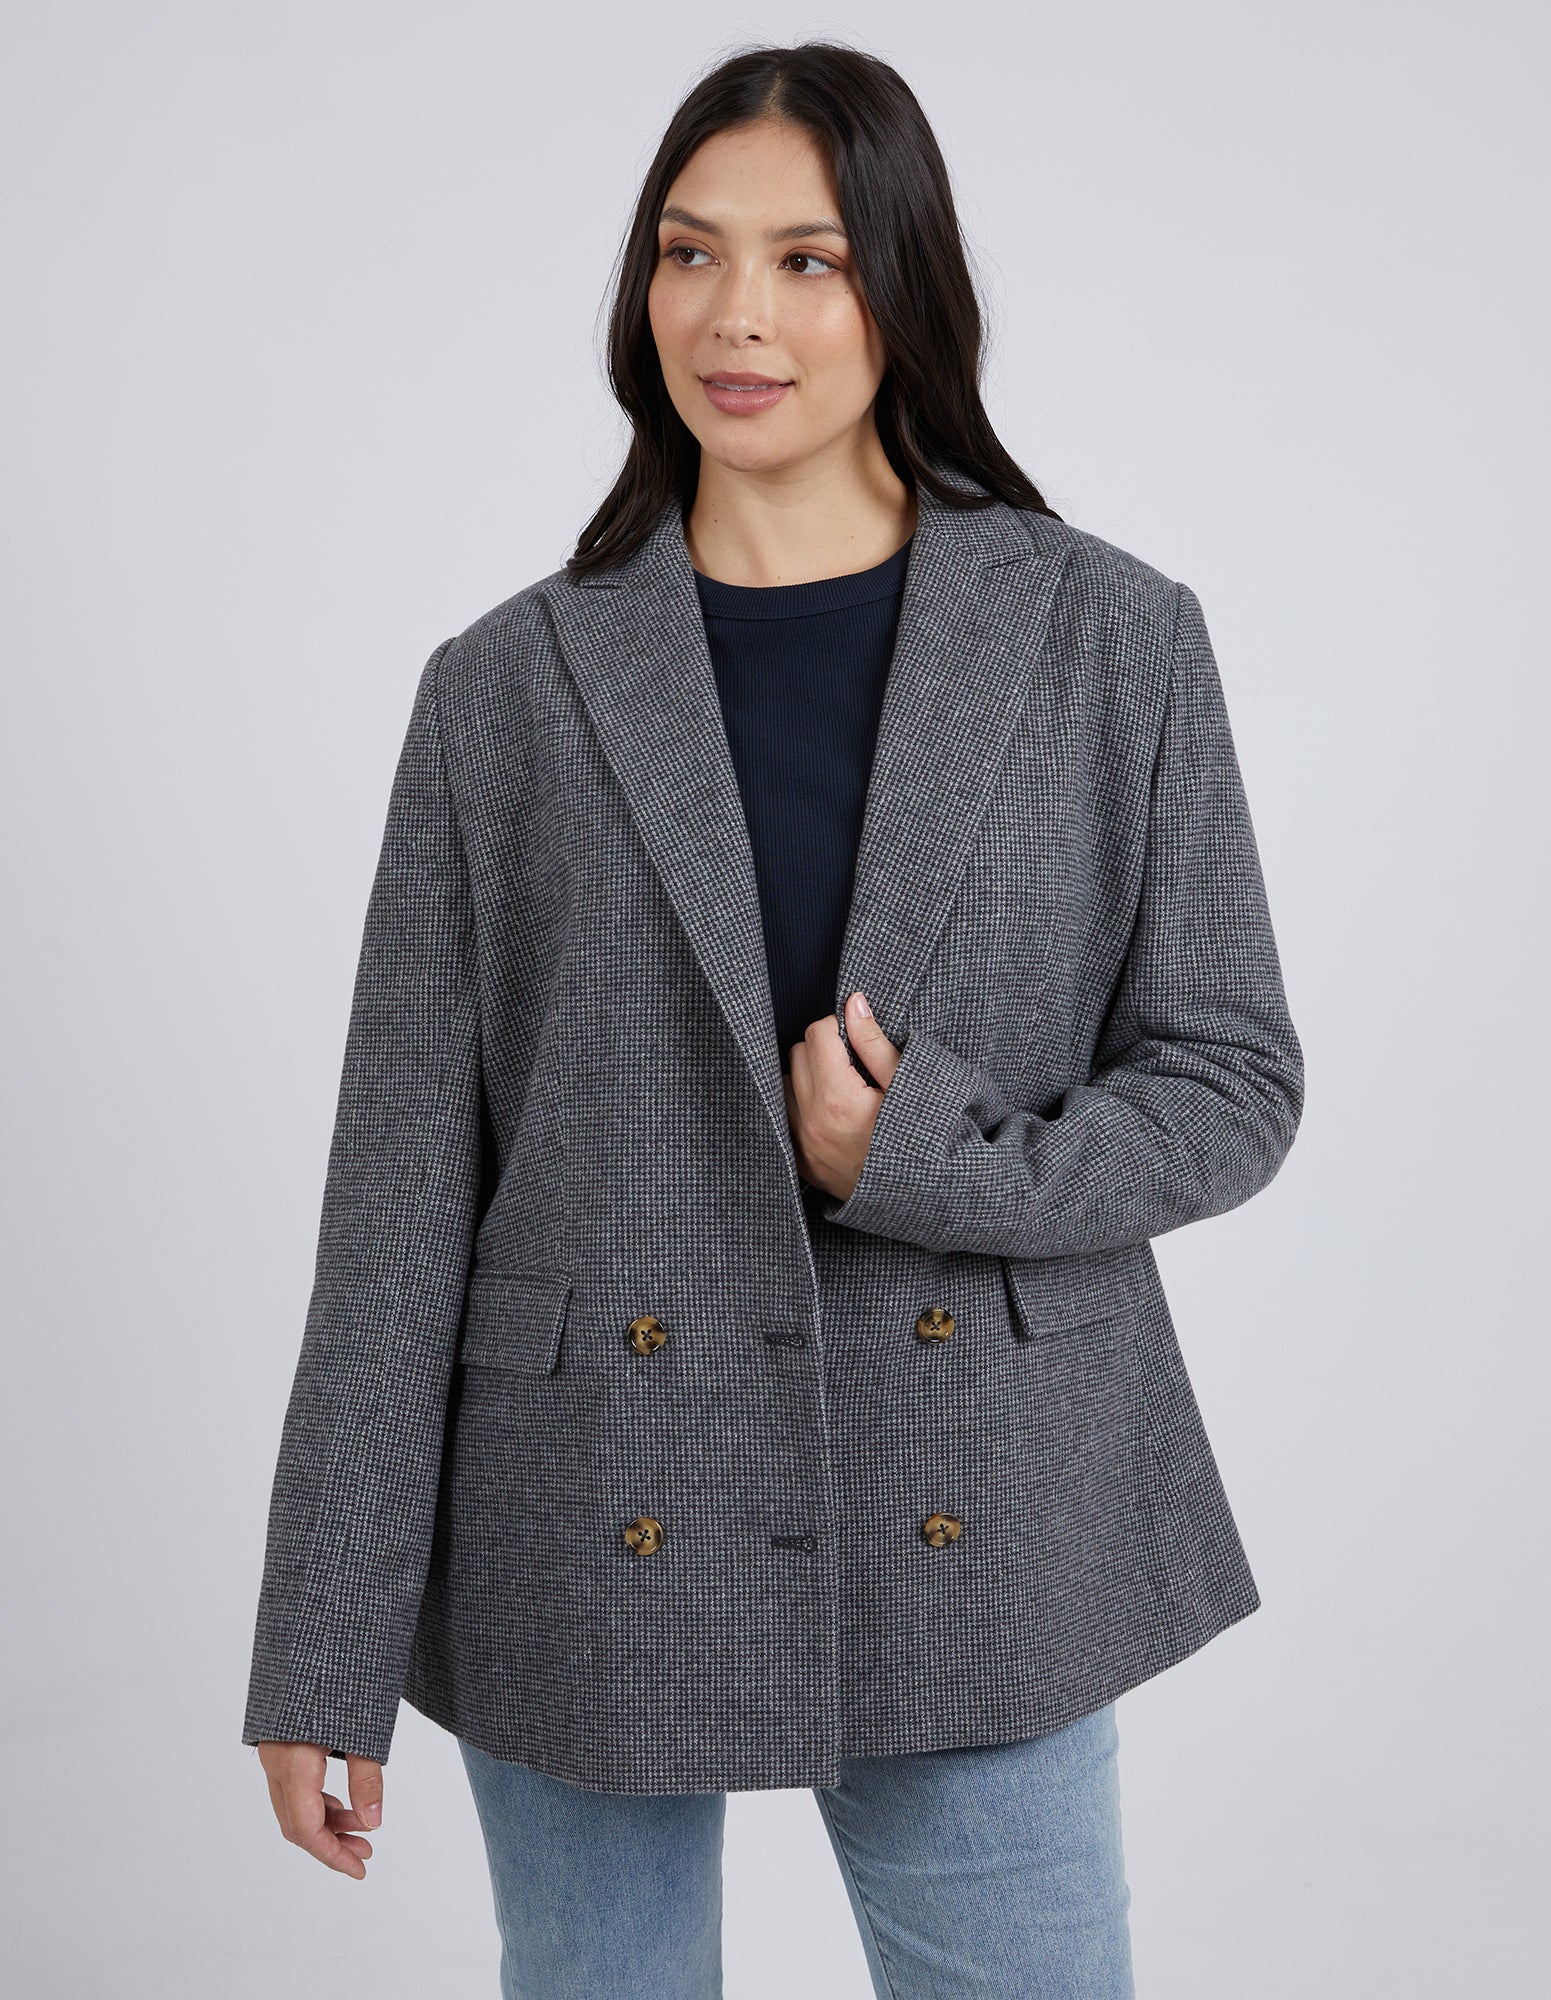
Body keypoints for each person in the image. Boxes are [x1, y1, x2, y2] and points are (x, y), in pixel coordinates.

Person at [243, 39, 1303, 2000]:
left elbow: (1231, 1081)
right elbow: (396, 1197)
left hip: (978, 1500)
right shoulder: (502, 688)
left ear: (903, 289)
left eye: (808, 260)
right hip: (590, 1494)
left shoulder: (1110, 638)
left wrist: (924, 1155)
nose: (736, 315)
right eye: (689, 252)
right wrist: (323, 1641)